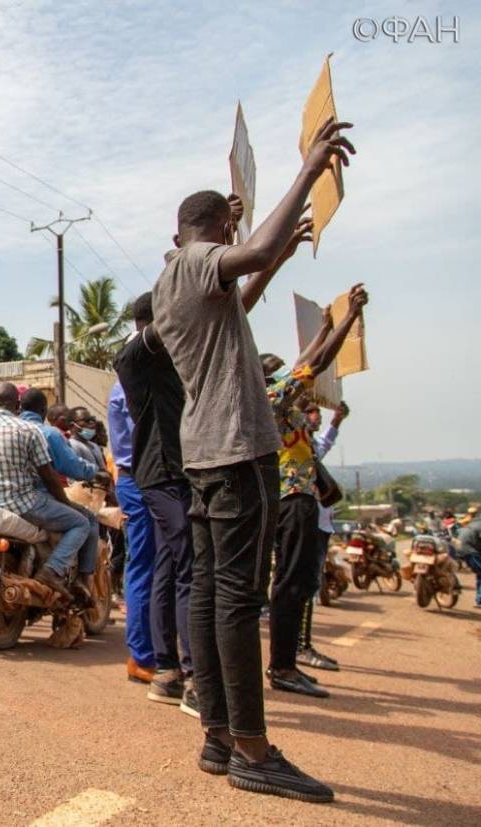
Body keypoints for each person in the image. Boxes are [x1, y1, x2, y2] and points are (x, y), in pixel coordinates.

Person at [151, 117, 355, 803]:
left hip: (207, 452)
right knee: (238, 599)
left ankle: (218, 735)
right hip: (236, 449)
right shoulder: (197, 262)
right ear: (218, 229)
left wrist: (275, 256)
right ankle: (252, 749)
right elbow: (254, 247)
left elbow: (243, 290)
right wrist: (310, 169)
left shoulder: (177, 277)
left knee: (213, 595)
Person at [265, 286, 368, 700]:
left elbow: (306, 362)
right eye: (278, 372)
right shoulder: (273, 398)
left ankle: (286, 662)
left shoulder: (277, 397)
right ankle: (283, 666)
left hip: (297, 500)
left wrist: (324, 327)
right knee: (291, 582)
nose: (287, 374)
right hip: (291, 501)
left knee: (297, 580)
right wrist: (349, 319)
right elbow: (316, 364)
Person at [114, 292, 197, 716]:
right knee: (165, 566)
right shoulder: (136, 359)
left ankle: (164, 666)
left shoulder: (157, 362)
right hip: (150, 475)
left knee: (163, 566)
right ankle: (171, 664)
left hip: (146, 475)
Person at [0, 383, 93, 603]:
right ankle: (52, 570)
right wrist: (66, 503)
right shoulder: (28, 430)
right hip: (24, 505)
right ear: (17, 406)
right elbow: (48, 476)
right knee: (81, 523)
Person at [19, 388, 103, 601]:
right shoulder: (48, 434)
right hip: (36, 499)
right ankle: (75, 577)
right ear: (43, 411)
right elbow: (71, 467)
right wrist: (95, 472)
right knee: (86, 521)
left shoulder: (9, 429)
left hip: (3, 499)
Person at [108, 378, 158, 685]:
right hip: (143, 479)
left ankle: (153, 653)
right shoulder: (134, 386)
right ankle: (142, 657)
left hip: (139, 479)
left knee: (151, 567)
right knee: (144, 566)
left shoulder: (127, 386)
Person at [296, 400, 350, 671]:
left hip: (319, 522)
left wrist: (336, 421)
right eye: (310, 412)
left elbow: (324, 444)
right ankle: (299, 646)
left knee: (308, 585)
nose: (316, 416)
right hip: (308, 522)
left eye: (317, 411)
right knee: (303, 585)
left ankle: (299, 646)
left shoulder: (309, 445)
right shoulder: (296, 445)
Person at [455, 516, 481, 608]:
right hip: (470, 551)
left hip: (461, 550)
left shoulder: (473, 523)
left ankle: (479, 599)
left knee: (480, 574)